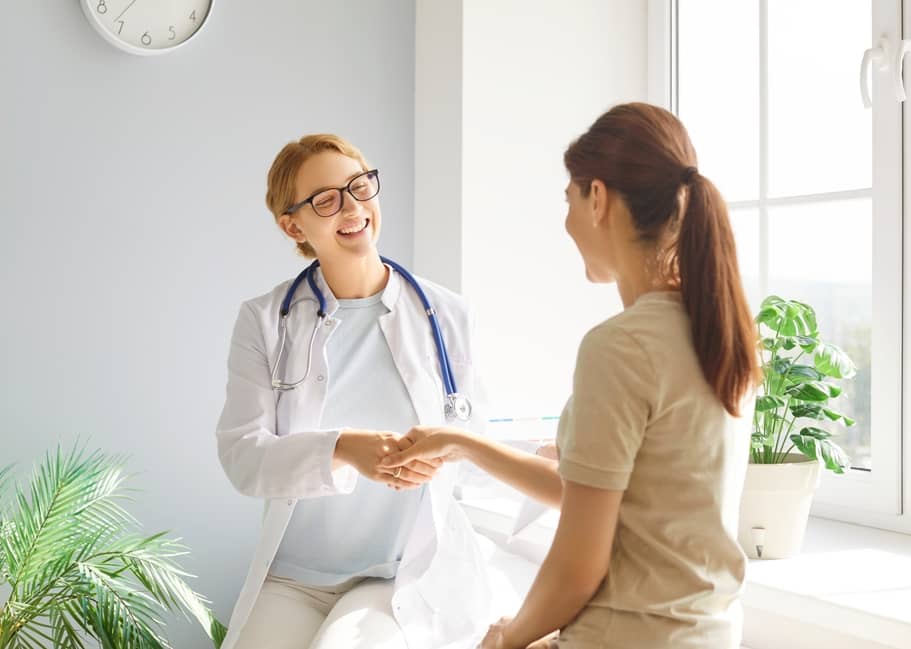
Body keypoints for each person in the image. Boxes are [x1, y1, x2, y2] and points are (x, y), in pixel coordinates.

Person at [381, 102, 760, 648]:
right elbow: (591, 495)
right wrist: (461, 443)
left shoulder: (620, 347)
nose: (566, 222)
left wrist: (508, 640)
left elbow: (579, 565)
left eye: (569, 199)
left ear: (598, 197)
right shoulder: (720, 335)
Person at [215, 134, 502, 649]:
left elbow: (475, 448)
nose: (352, 207)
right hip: (294, 575)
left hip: (397, 573)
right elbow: (243, 457)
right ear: (293, 226)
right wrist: (344, 448)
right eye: (325, 199)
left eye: (359, 186)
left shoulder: (447, 315)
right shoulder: (264, 320)